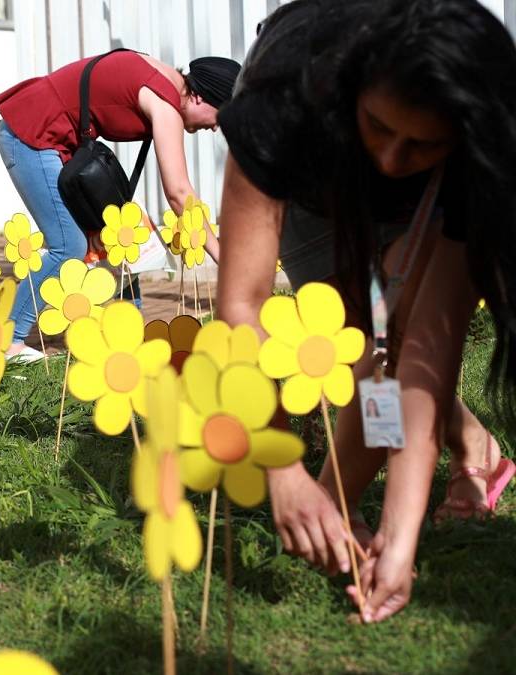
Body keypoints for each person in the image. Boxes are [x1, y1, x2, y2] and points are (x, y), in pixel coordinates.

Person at [217, 0, 516, 623]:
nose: (390, 159)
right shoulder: (282, 106)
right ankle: (334, 505)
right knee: (350, 339)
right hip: (312, 156)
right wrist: (279, 463)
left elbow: (425, 359)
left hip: (425, 180)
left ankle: (342, 514)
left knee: (386, 342)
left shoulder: (474, 155)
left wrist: (400, 539)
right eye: (382, 129)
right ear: (357, 90)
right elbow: (243, 305)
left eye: (420, 143)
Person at [0, 50, 239, 359]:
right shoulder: (166, 105)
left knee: (120, 239)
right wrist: (222, 256)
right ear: (202, 98)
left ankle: (128, 337)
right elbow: (178, 191)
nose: (217, 128)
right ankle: (9, 343)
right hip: (32, 134)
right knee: (68, 245)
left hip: (56, 142)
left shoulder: (168, 82)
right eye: (222, 116)